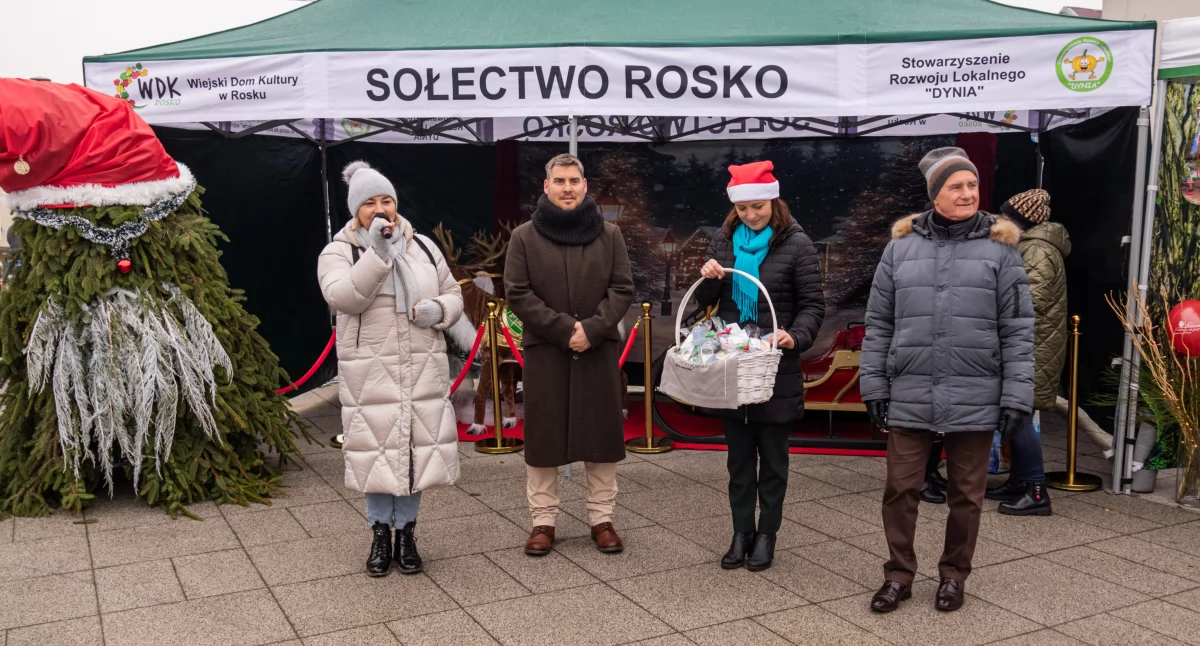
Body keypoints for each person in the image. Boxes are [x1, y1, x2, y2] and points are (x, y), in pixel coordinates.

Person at [860, 147, 1034, 613]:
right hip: (910, 387)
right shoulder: (899, 250)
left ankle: (954, 575)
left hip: (976, 390)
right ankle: (898, 575)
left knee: (967, 494)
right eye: (955, 186)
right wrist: (874, 385)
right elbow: (879, 323)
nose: (967, 193)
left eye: (972, 185)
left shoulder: (1002, 251)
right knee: (900, 489)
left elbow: (1018, 329)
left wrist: (1017, 395)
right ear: (934, 195)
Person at [317, 161, 464, 577]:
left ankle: (408, 535)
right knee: (378, 456)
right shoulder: (340, 250)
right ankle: (380, 535)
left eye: (387, 200)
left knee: (416, 455)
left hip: (421, 368)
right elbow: (343, 297)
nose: (380, 209)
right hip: (372, 373)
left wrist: (440, 310)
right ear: (355, 210)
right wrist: (378, 255)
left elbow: (453, 292)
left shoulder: (424, 247)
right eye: (370, 202)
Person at [696, 161, 825, 572]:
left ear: (773, 201)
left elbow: (812, 306)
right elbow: (705, 302)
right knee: (737, 461)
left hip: (774, 368)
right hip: (734, 365)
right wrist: (709, 278)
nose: (751, 215)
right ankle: (740, 532)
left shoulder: (797, 244)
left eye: (758, 207)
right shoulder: (724, 242)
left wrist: (795, 336)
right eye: (744, 209)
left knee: (773, 460)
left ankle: (767, 533)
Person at [504, 154, 635, 557]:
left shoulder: (609, 234)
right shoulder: (524, 237)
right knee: (544, 438)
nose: (566, 188)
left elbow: (622, 289)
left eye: (573, 180)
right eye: (558, 180)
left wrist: (592, 330)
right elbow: (518, 293)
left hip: (596, 352)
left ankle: (602, 519)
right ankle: (543, 522)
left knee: (601, 436)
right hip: (548, 352)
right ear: (546, 186)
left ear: (584, 185)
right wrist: (565, 331)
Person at [986, 189, 1069, 516]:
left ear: (1020, 220)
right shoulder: (1033, 247)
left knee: (1019, 415)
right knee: (1017, 412)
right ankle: (1020, 480)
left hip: (1032, 348)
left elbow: (1028, 303)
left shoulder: (1036, 251)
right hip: (1034, 345)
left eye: (1006, 215)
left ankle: (1036, 491)